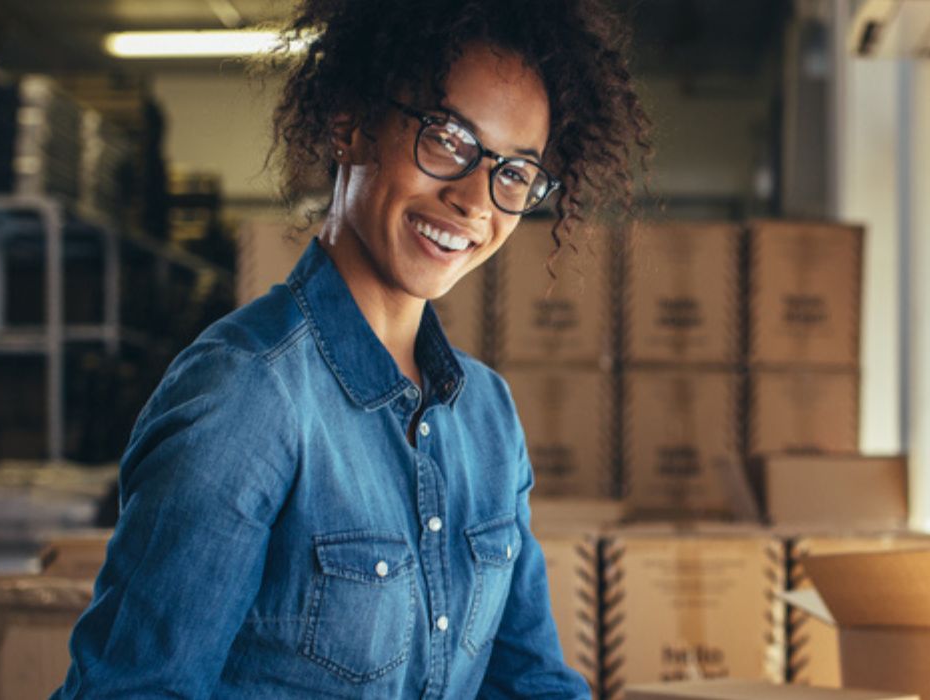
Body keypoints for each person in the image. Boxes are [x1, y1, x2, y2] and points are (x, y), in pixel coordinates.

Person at [52, 0, 648, 696]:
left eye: (514, 172)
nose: (475, 201)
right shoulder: (246, 396)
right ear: (351, 124)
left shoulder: (487, 417)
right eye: (449, 139)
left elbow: (527, 680)